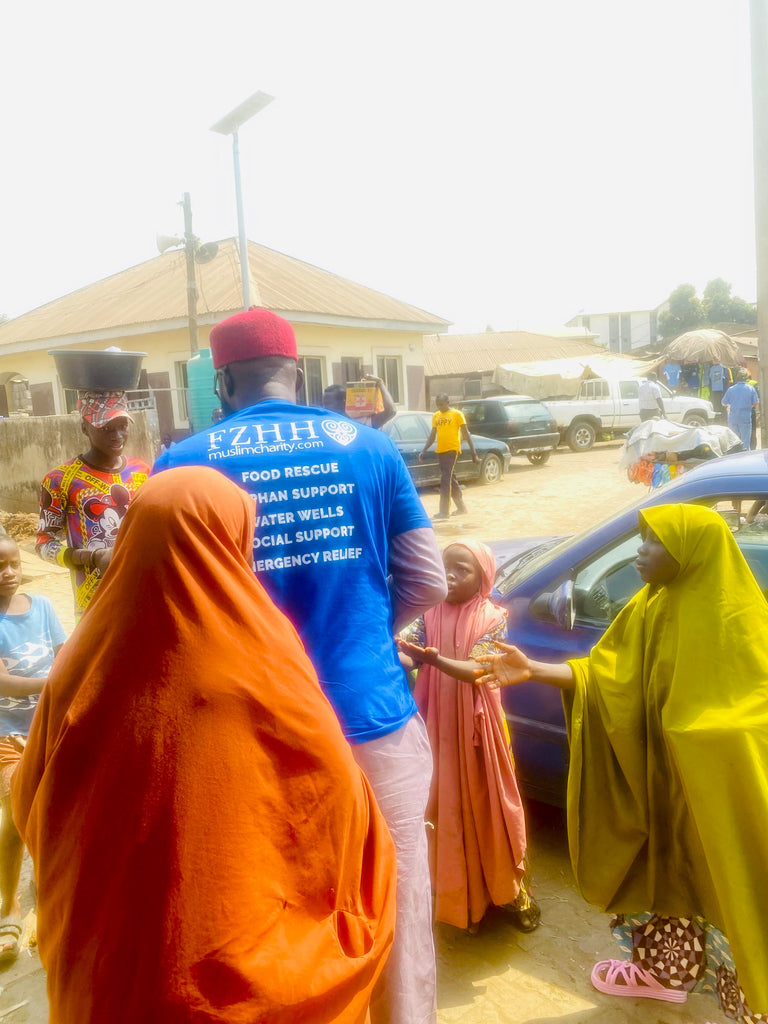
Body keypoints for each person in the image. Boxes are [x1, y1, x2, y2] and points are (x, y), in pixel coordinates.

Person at [12, 468, 396, 1024]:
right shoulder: (263, 656)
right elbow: (331, 795)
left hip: (105, 969)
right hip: (239, 972)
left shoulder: (80, 657)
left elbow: (31, 804)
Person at [153, 308, 447, 1024]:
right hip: (367, 711)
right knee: (399, 903)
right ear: (300, 373)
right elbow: (429, 581)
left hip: (246, 733)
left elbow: (170, 611)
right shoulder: (370, 448)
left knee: (270, 916)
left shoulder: (182, 462)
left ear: (221, 381)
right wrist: (367, 632)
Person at [475, 504, 768, 1020]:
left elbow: (751, 716)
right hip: (661, 787)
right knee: (666, 881)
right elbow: (608, 679)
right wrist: (535, 671)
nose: (640, 551)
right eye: (643, 539)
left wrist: (695, 735)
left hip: (713, 799)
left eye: (654, 541)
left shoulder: (741, 620)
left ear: (689, 552)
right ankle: (665, 974)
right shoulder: (649, 605)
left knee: (731, 898)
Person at [397, 540, 538, 935]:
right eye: (446, 568)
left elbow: (478, 670)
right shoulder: (428, 612)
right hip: (436, 724)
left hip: (479, 730)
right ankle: (461, 901)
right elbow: (409, 651)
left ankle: (510, 895)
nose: (451, 577)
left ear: (483, 578)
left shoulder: (493, 616)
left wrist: (433, 659)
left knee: (489, 805)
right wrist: (396, 652)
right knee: (443, 808)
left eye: (463, 570)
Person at [0, 534, 65, 964]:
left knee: (56, 811)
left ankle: (48, 899)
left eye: (12, 564)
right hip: (9, 734)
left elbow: (65, 654)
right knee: (15, 814)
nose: (7, 573)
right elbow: (4, 682)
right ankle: (9, 905)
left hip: (50, 725)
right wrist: (56, 683)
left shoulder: (41, 607)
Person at [36, 391, 150, 618]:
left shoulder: (143, 471)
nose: (117, 435)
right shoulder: (60, 480)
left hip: (145, 591)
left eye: (122, 426)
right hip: (94, 602)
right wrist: (90, 558)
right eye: (106, 428)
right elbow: (43, 543)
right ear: (84, 428)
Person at [419, 393, 478, 520]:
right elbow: (432, 435)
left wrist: (474, 453)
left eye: (441, 404)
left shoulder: (457, 414)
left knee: (445, 479)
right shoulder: (436, 416)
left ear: (448, 402)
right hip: (441, 450)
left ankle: (444, 512)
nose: (439, 407)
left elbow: (466, 434)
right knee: (451, 478)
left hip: (452, 450)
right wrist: (424, 450)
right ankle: (461, 507)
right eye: (437, 405)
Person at [323, 373, 396, 428]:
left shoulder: (361, 421)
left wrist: (380, 383)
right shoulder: (323, 422)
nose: (325, 407)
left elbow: (391, 411)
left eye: (328, 403)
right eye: (324, 404)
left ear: (344, 401)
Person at [721, 368, 759, 451]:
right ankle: (744, 459)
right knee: (745, 442)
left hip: (733, 418)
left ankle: (734, 458)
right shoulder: (751, 389)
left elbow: (723, 403)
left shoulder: (731, 389)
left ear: (737, 378)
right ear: (746, 378)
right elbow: (755, 403)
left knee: (733, 442)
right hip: (745, 418)